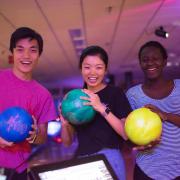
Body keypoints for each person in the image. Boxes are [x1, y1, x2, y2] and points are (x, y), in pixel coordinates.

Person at [60, 45, 132, 180]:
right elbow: (67, 142)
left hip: (110, 159)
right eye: (87, 67)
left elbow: (126, 133)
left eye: (98, 67)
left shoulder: (115, 93)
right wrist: (64, 125)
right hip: (83, 161)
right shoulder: (76, 98)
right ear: (81, 69)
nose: (92, 73)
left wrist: (100, 107)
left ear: (105, 70)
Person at [0, 27, 57, 179]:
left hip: (18, 170)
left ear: (39, 54)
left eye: (33, 50)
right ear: (12, 52)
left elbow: (43, 136)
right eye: (20, 49)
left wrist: (34, 135)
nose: (26, 56)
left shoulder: (43, 95)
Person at [126, 41, 180, 180]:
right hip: (146, 170)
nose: (150, 63)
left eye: (155, 59)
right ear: (140, 63)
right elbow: (126, 136)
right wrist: (138, 145)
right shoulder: (133, 95)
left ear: (164, 61)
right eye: (145, 60)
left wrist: (165, 115)